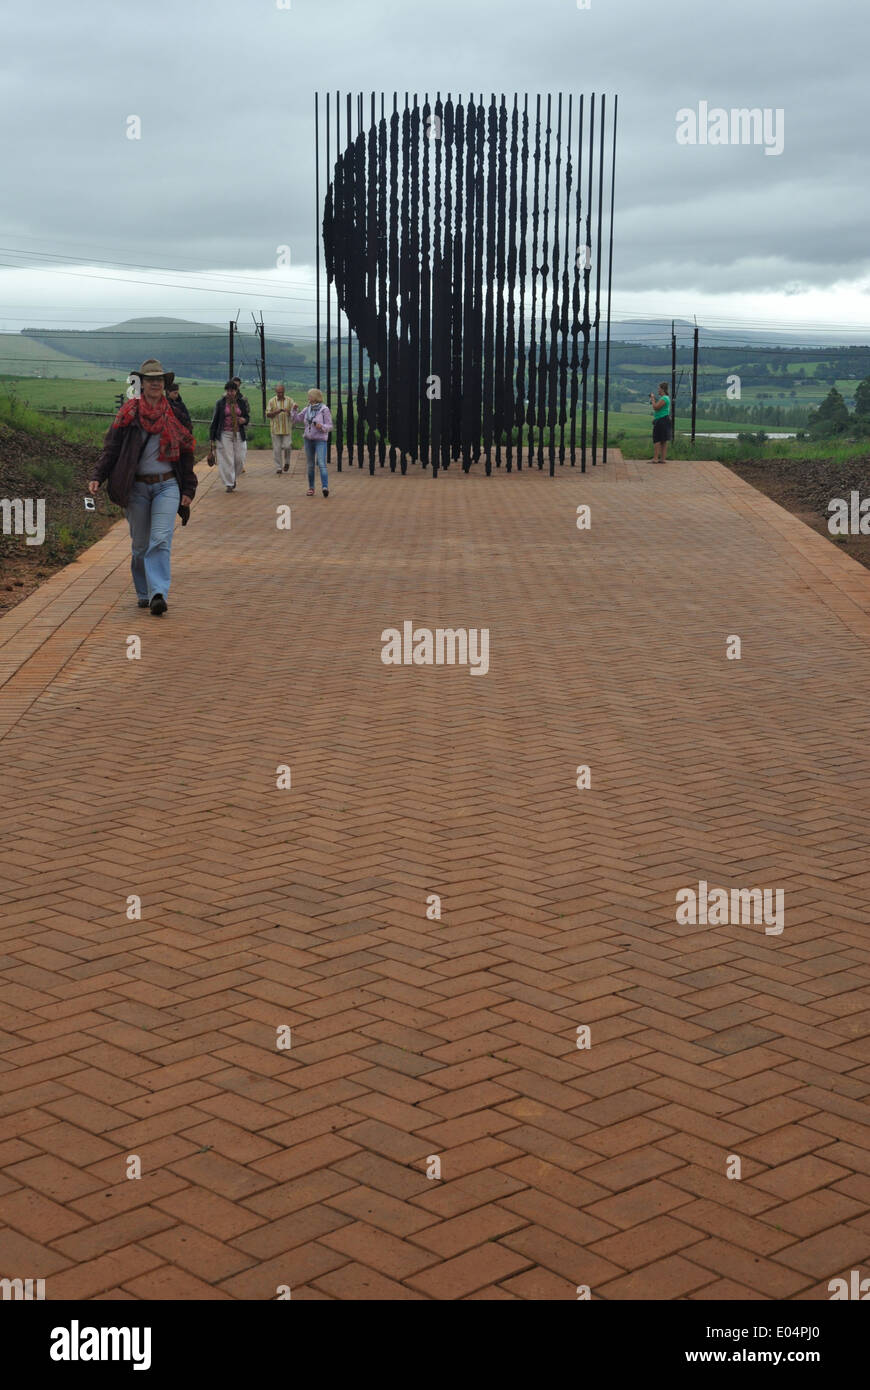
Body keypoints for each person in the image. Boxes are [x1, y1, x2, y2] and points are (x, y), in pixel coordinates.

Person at [88, 357, 196, 616]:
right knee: (140, 545)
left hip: (167, 485)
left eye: (160, 379)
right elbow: (112, 448)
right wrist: (97, 475)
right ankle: (144, 592)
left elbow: (187, 449)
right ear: (142, 383)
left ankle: (159, 592)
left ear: (165, 383)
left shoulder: (175, 413)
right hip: (136, 488)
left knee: (160, 539)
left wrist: (188, 489)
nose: (156, 384)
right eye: (150, 380)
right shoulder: (129, 413)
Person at [291, 388, 333, 497]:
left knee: (321, 463)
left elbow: (330, 426)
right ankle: (311, 488)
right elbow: (296, 419)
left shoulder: (324, 409)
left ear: (315, 397)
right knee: (310, 465)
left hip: (320, 440)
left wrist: (322, 426)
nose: (308, 398)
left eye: (309, 396)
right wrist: (294, 410)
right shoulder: (307, 409)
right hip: (308, 439)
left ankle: (325, 486)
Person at [209, 381, 249, 492]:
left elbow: (246, 416)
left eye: (232, 390)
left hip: (238, 433)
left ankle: (233, 477)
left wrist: (244, 420)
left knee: (239, 459)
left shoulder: (241, 402)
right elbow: (215, 420)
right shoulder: (220, 403)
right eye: (228, 391)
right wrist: (212, 438)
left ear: (236, 391)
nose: (230, 393)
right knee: (227, 459)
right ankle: (229, 483)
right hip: (224, 433)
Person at [267, 383, 295, 474]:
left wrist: (290, 411)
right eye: (278, 392)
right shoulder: (271, 401)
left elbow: (295, 413)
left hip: (287, 428)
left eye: (282, 392)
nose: (280, 394)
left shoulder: (290, 400)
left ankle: (287, 462)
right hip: (275, 428)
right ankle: (278, 467)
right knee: (277, 448)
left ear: (284, 391)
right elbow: (268, 414)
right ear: (276, 392)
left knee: (287, 446)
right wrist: (276, 412)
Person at [650, 381, 672, 463]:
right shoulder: (666, 398)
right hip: (663, 419)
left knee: (657, 439)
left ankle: (655, 458)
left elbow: (656, 407)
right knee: (663, 440)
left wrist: (652, 399)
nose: (658, 390)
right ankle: (662, 459)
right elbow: (661, 410)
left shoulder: (664, 398)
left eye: (659, 388)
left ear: (662, 389)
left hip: (661, 420)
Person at [232, 377, 249, 473]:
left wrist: (243, 419)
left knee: (241, 447)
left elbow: (247, 411)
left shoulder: (243, 398)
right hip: (229, 427)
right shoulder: (224, 397)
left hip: (241, 425)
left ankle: (240, 464)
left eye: (237, 385)